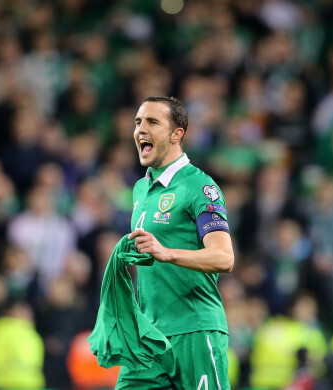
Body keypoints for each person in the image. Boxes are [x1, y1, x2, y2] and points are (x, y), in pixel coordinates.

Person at [120, 96, 234, 389]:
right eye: (137, 122)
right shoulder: (140, 189)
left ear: (176, 134)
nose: (140, 129)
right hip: (149, 336)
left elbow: (224, 258)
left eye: (152, 122)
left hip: (194, 330)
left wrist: (166, 253)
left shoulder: (200, 186)